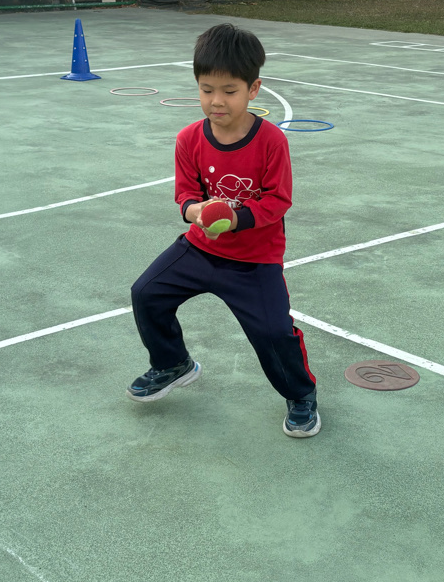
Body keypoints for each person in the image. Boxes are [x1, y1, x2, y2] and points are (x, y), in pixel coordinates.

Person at [127, 24, 320, 438]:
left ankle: (301, 394)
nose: (216, 100)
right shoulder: (188, 139)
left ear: (253, 89)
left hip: (254, 260)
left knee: (273, 332)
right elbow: (185, 194)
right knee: (146, 293)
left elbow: (277, 200)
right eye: (206, 89)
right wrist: (195, 211)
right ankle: (172, 363)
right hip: (199, 250)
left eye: (229, 90)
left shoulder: (271, 142)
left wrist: (235, 219)